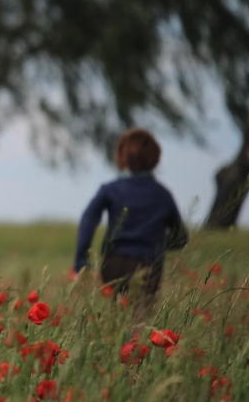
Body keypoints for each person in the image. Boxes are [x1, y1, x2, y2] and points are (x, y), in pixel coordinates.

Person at [72, 128, 188, 314]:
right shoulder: (162, 195)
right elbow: (181, 238)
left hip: (113, 263)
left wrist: (81, 261)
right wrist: (157, 244)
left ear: (121, 157)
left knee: (116, 315)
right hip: (148, 264)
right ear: (155, 159)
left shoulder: (110, 189)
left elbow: (89, 218)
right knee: (140, 320)